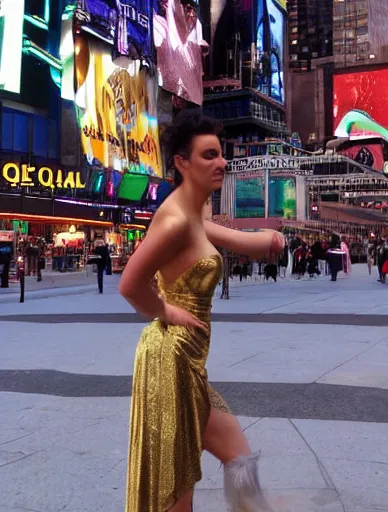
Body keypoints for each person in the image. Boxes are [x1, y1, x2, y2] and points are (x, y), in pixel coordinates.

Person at [119, 110, 283, 512]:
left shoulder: (196, 213)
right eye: (209, 155)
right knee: (176, 491)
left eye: (221, 154)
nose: (222, 163)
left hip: (189, 364)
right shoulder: (174, 220)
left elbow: (224, 236)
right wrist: (165, 311)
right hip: (169, 362)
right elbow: (129, 284)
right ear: (182, 162)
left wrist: (266, 240)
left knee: (239, 456)